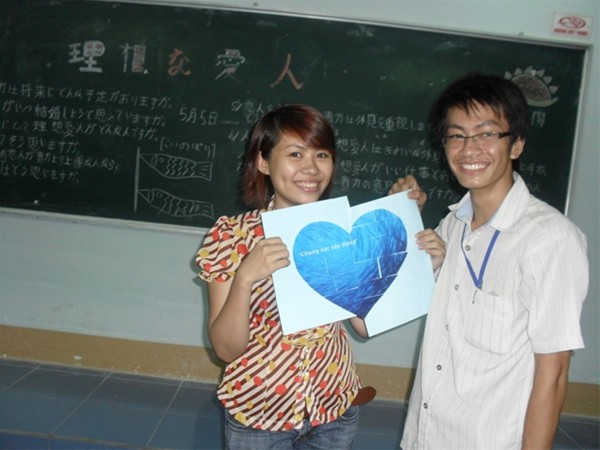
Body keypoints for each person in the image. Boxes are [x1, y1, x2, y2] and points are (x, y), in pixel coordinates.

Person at [195, 103, 443, 450]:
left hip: (333, 412)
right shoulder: (231, 237)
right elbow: (225, 349)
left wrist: (412, 252)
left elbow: (363, 325)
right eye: (295, 154)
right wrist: (244, 279)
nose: (311, 168)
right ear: (263, 162)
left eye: (322, 155)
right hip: (259, 415)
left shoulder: (340, 231)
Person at [400, 73, 589, 450]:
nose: (469, 149)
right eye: (456, 135)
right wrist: (401, 218)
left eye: (486, 133)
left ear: (516, 144)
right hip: (425, 437)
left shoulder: (549, 239)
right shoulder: (451, 225)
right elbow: (403, 296)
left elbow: (553, 374)